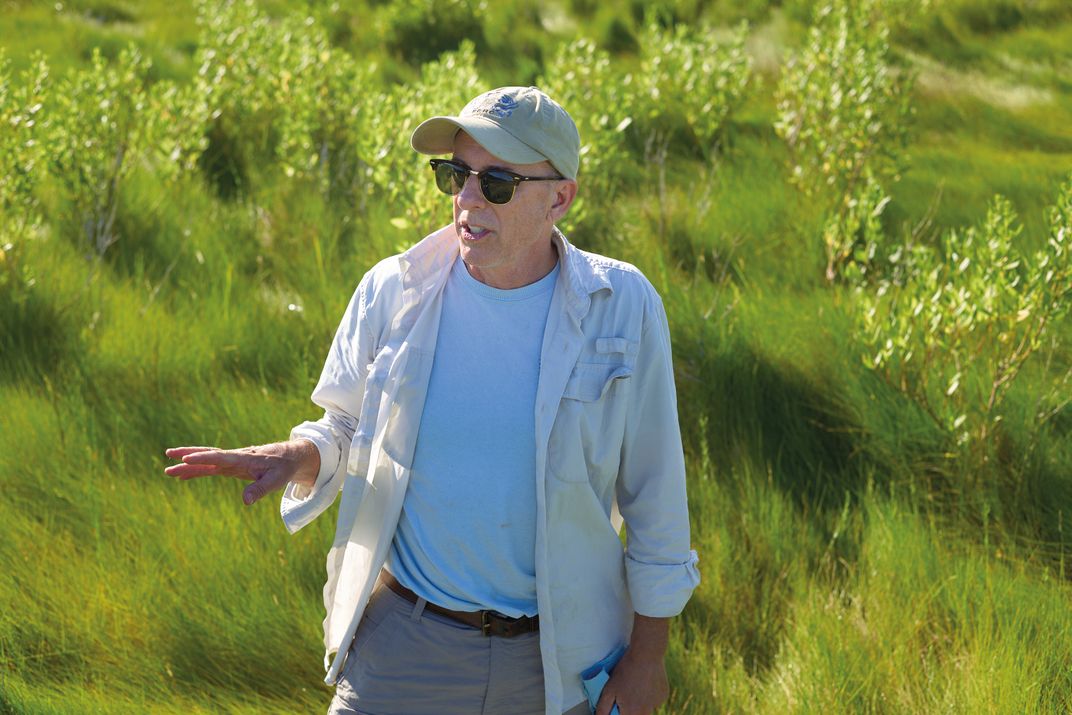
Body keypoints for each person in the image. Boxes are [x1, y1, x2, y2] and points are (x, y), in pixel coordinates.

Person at [165, 86, 699, 715]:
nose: (468, 199)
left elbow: (655, 494)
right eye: (456, 175)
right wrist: (298, 453)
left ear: (560, 197)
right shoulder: (392, 289)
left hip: (557, 662)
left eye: (497, 183)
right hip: (404, 646)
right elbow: (345, 424)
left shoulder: (625, 305)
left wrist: (647, 659)